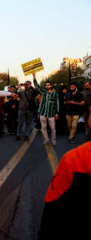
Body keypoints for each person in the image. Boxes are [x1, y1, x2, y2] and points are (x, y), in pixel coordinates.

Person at [38, 96, 91, 240]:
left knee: (58, 128)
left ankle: (55, 140)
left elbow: (52, 205)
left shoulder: (75, 158)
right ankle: (50, 140)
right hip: (49, 113)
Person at [33, 73, 59, 146]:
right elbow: (37, 86)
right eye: (46, 85)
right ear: (45, 86)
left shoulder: (55, 94)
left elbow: (57, 104)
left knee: (53, 128)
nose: (47, 86)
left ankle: (53, 141)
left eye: (48, 85)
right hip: (43, 113)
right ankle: (47, 139)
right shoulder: (43, 92)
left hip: (51, 114)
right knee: (43, 128)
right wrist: (34, 77)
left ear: (51, 85)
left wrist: (57, 113)